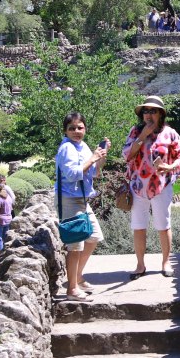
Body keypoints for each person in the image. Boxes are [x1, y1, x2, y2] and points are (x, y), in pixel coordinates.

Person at [123, 96, 180, 279]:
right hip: (137, 186)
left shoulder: (170, 133)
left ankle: (166, 262)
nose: (148, 114)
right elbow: (127, 154)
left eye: (153, 111)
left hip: (161, 185)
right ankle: (140, 265)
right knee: (138, 225)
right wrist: (142, 136)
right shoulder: (135, 131)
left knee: (163, 224)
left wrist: (170, 167)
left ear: (160, 114)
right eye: (146, 111)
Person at [54, 112, 108, 301]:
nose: (76, 131)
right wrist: (92, 158)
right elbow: (72, 174)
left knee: (93, 237)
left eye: (80, 127)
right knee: (75, 245)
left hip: (81, 199)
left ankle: (76, 277)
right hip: (69, 200)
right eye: (72, 128)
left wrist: (100, 157)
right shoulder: (67, 148)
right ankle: (72, 289)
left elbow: (93, 173)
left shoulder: (82, 146)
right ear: (65, 131)